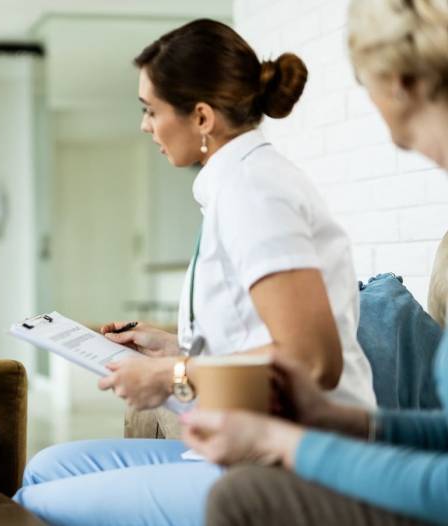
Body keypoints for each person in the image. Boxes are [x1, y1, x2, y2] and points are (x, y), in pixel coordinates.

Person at [14, 19, 375, 526]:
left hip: (300, 463)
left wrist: (170, 375)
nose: (144, 125)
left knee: (34, 505)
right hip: (254, 443)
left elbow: (313, 360)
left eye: (151, 110)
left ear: (201, 116)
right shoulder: (234, 186)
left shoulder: (253, 192)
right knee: (44, 468)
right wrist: (174, 349)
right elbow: (259, 337)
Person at [184, 2, 448, 525]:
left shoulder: (253, 186)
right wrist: (338, 420)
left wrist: (287, 442)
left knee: (239, 498)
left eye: (364, 86)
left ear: (401, 84)